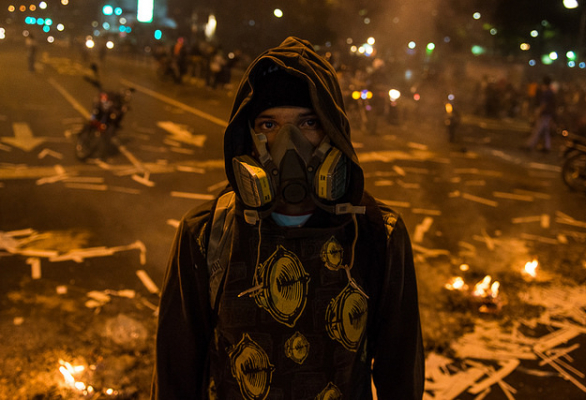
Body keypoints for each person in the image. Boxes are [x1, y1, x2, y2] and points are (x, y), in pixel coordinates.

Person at [151, 36, 424, 400]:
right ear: (247, 141)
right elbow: (176, 375)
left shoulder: (376, 233)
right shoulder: (206, 233)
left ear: (333, 133)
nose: (288, 142)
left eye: (308, 122)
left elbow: (400, 373)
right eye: (268, 125)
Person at [526, 75, 557, 152]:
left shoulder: (546, 92)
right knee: (546, 131)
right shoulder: (551, 92)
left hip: (544, 114)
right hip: (549, 114)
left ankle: (529, 145)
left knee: (537, 130)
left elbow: (544, 104)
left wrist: (538, 112)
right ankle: (547, 147)